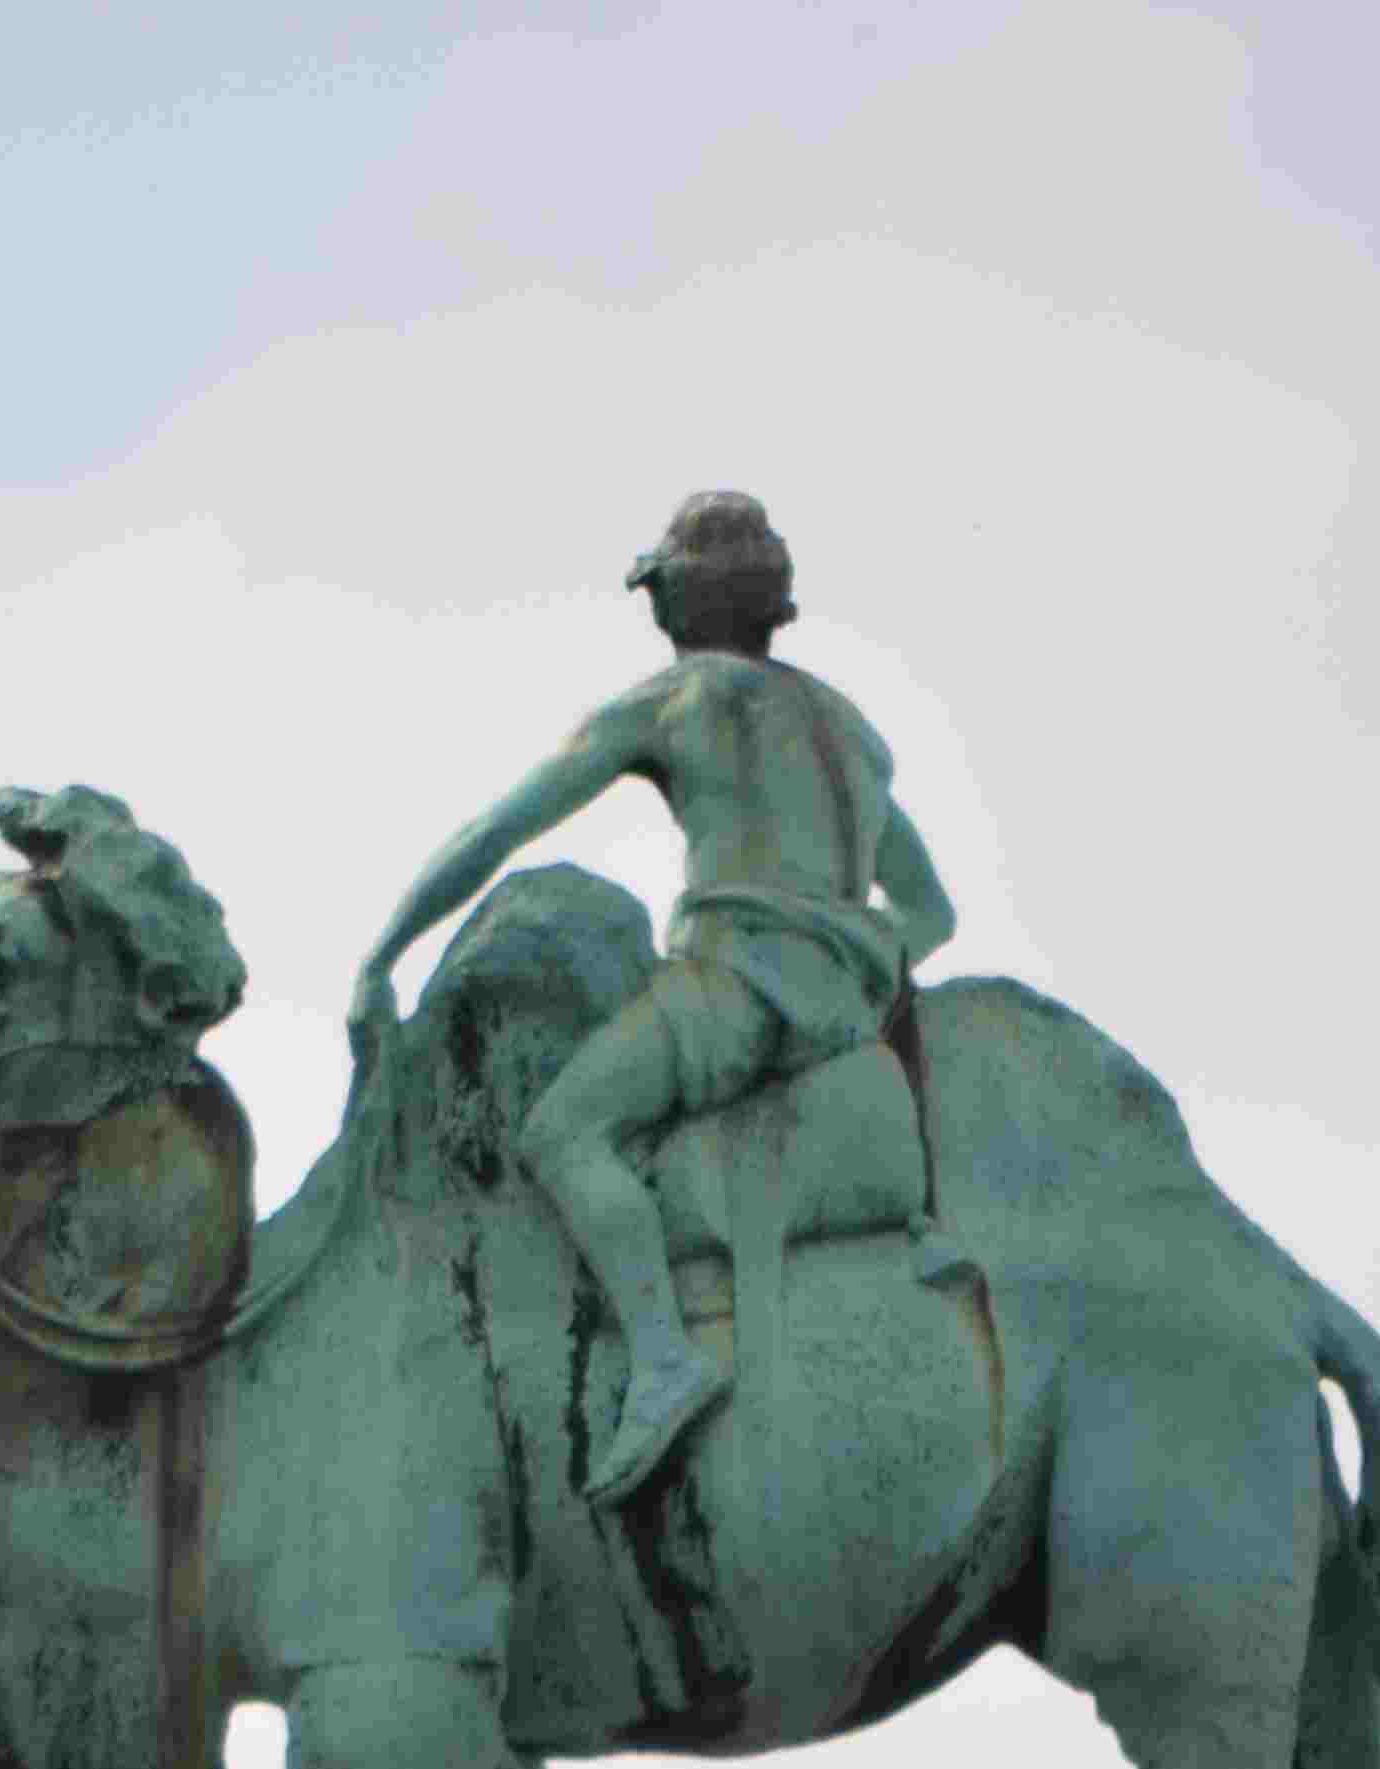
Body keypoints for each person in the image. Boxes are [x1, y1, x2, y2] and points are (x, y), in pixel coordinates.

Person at [346, 492, 959, 1502]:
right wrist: (857, 959)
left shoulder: (673, 702)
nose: (655, 613)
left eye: (659, 592)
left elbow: (497, 833)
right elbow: (932, 911)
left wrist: (384, 954)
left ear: (682, 598)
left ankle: (665, 1358)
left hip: (736, 988)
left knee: (562, 1132)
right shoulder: (854, 733)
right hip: (846, 1011)